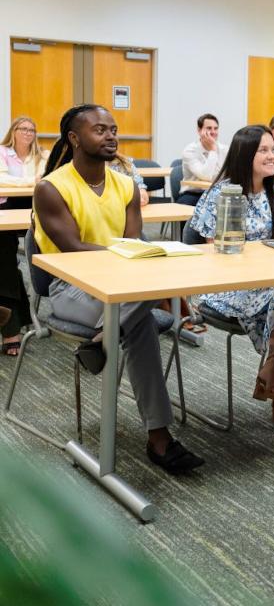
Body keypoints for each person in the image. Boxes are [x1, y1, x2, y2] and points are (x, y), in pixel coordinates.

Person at [33, 104, 204, 473]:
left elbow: (134, 245)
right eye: (99, 130)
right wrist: (137, 263)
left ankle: (102, 341)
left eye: (113, 129)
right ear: (74, 139)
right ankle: (160, 439)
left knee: (137, 312)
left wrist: (141, 260)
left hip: (123, 287)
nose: (110, 135)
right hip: (72, 288)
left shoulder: (125, 185)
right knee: (142, 311)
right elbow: (75, 250)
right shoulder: (51, 188)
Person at [190, 124, 274, 434]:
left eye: (273, 150)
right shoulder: (223, 193)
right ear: (244, 154)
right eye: (263, 150)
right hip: (228, 288)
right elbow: (215, 254)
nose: (272, 155)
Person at [0, 115, 47, 356]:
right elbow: (1, 178)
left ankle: (10, 324)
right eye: (24, 129)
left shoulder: (42, 155)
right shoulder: (2, 152)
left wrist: (24, 182)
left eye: (32, 129)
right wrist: (29, 181)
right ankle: (11, 328)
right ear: (14, 131)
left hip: (35, 212)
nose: (28, 133)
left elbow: (45, 180)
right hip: (5, 210)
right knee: (4, 255)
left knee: (4, 259)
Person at [178, 113, 225, 206]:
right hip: (194, 193)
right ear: (199, 131)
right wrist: (213, 150)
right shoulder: (189, 151)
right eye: (209, 128)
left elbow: (226, 176)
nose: (213, 132)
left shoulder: (224, 149)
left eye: (215, 128)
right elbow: (206, 176)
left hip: (217, 193)